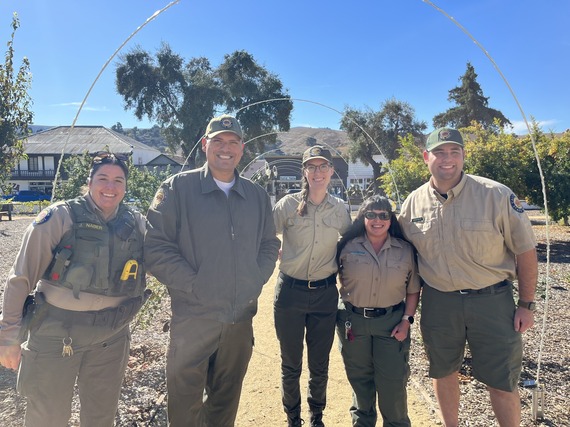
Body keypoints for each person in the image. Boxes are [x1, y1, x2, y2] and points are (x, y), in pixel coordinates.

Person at [144, 114, 280, 427]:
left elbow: (269, 245)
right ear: (205, 145)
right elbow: (156, 248)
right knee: (184, 405)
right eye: (217, 141)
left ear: (242, 149)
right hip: (194, 318)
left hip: (238, 321)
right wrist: (195, 285)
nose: (225, 148)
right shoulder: (178, 188)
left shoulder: (256, 196)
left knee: (225, 401)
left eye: (232, 142)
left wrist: (253, 280)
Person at [398, 127, 538, 427]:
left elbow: (525, 250)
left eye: (454, 152)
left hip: (492, 302)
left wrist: (526, 303)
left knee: (502, 379)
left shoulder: (496, 195)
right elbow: (404, 257)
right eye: (439, 152)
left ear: (464, 156)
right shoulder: (412, 204)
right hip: (439, 303)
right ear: (426, 157)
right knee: (442, 371)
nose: (447, 159)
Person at [0, 152, 147, 426]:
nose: (110, 187)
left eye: (118, 180)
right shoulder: (59, 217)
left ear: (126, 186)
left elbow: (160, 260)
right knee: (47, 417)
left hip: (111, 337)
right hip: (56, 335)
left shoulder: (136, 223)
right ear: (89, 182)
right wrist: (8, 336)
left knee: (101, 418)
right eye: (103, 178)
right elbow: (20, 278)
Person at [273, 145, 352, 427]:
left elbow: (351, 244)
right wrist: (276, 250)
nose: (317, 172)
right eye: (311, 167)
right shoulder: (287, 206)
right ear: (304, 172)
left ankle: (316, 416)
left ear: (331, 171)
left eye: (323, 167)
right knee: (290, 365)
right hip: (290, 295)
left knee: (320, 365)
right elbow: (265, 237)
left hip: (324, 295)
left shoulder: (341, 210)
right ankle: (293, 418)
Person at [336, 195, 420, 427]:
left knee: (393, 382)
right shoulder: (346, 247)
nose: (377, 220)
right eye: (371, 214)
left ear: (391, 220)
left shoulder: (405, 250)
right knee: (360, 381)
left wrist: (406, 321)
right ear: (362, 217)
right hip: (354, 322)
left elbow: (413, 290)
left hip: (391, 323)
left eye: (384, 215)